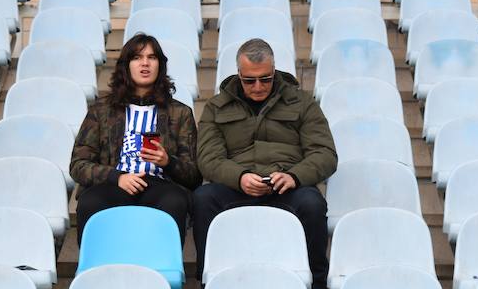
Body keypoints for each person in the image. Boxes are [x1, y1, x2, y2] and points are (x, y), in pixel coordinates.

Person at [194, 38, 337, 288]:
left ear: (274, 70)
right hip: (237, 186)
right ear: (239, 74)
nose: (258, 86)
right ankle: (209, 280)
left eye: (266, 78)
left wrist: (294, 176)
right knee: (203, 198)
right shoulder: (217, 107)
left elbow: (324, 153)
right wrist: (240, 177)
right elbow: (208, 158)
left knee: (313, 203)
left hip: (287, 187)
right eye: (249, 80)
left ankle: (317, 282)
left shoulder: (302, 103)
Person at [70, 33, 201, 245]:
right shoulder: (102, 111)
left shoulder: (180, 113)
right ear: (126, 66)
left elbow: (194, 175)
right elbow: (78, 165)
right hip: (114, 183)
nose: (145, 63)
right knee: (90, 202)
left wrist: (169, 162)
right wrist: (117, 177)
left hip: (160, 185)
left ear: (160, 65)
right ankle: (93, 270)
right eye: (137, 57)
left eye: (152, 57)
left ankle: (166, 270)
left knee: (175, 201)